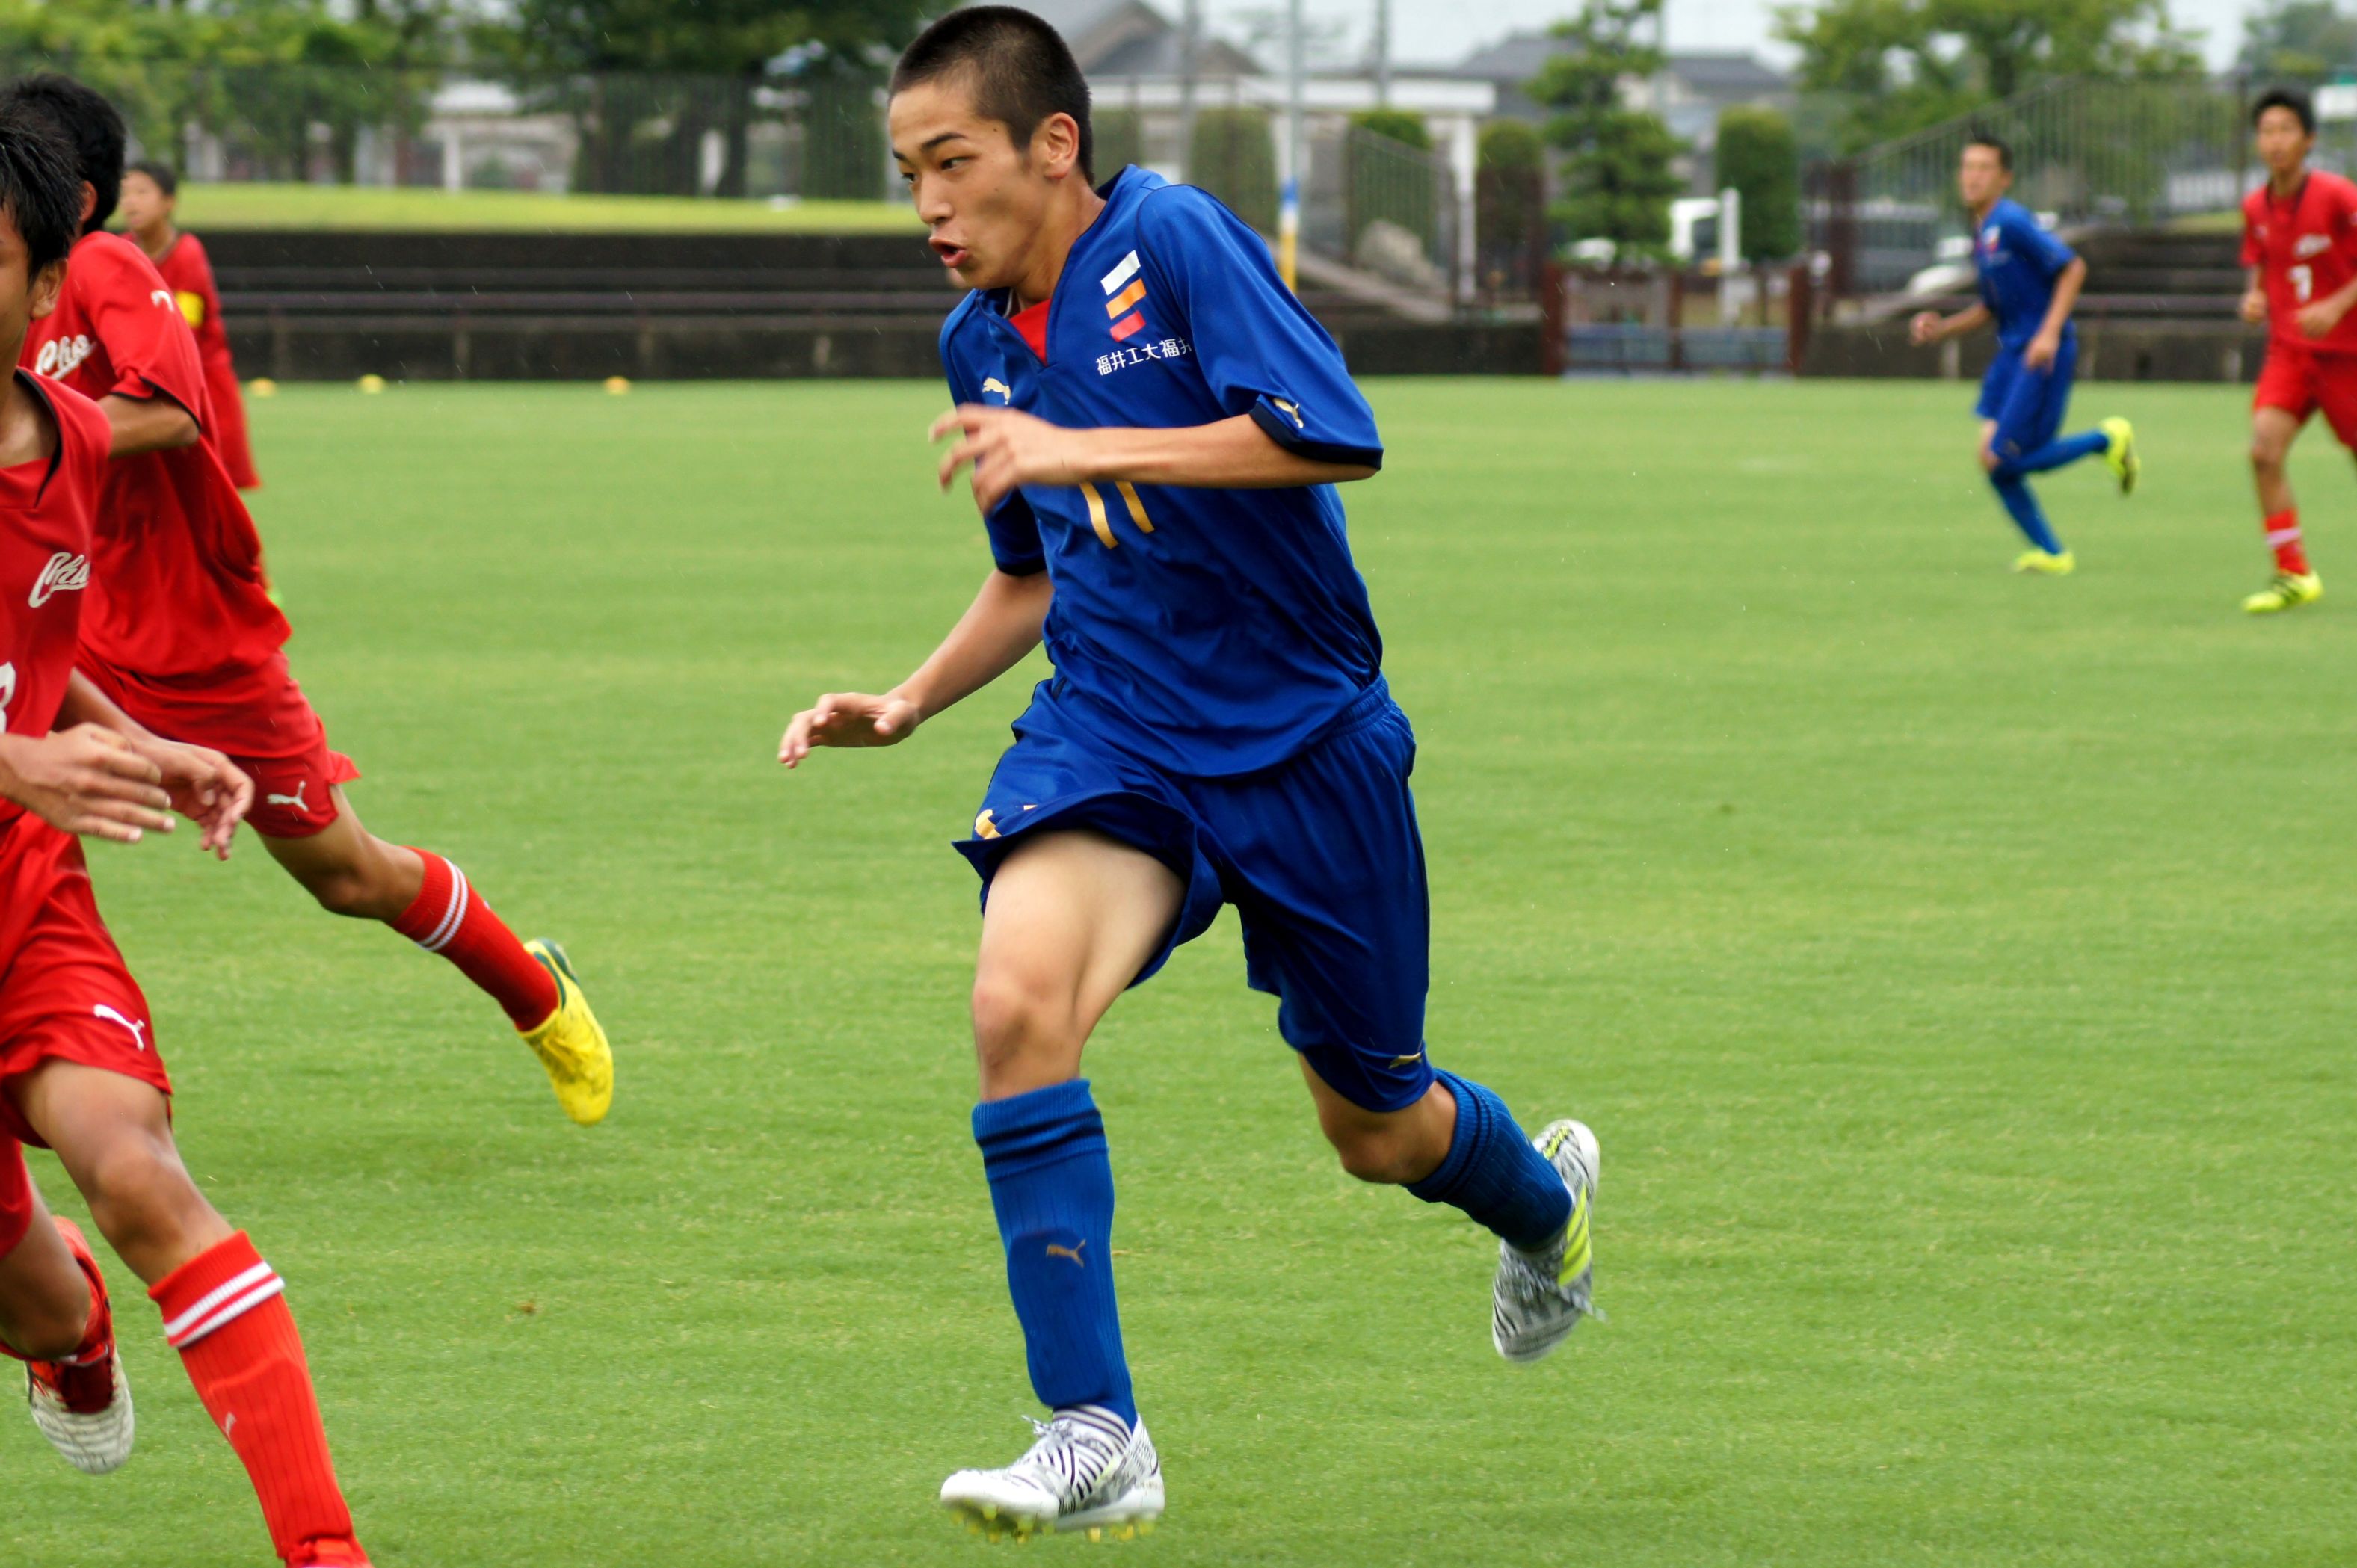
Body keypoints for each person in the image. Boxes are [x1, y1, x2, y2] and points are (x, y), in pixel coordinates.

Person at [779, 9, 1598, 1540]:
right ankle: (1094, 1428)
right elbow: (1033, 571)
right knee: (1014, 1002)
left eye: (950, 163)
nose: (929, 207)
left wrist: (1084, 449)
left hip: (1307, 740)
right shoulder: (977, 341)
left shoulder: (1172, 238)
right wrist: (910, 698)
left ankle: (1543, 1207)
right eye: (906, 177)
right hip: (1117, 731)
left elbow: (1331, 434)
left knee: (1376, 1125)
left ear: (1053, 145)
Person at [3, 74, 613, 1125]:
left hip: (192, 638)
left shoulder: (105, 266)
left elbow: (173, 410)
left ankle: (535, 990)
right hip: (72, 628)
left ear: (76, 205)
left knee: (346, 874)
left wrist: (46, 437)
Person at [0, 103, 372, 1567]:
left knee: (137, 1165)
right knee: (39, 1296)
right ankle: (72, 1332)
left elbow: (38, 644)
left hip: (27, 896)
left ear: (49, 288)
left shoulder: (74, 441)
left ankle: (325, 1549)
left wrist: (143, 740)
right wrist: (17, 756)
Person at [1911, 133, 2138, 575]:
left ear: (2005, 178)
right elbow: (1989, 308)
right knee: (1991, 458)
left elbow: (2072, 267)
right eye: (1967, 167)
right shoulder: (1983, 233)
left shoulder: (2012, 221)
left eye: (1984, 168)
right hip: (2012, 353)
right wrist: (1942, 329)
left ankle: (2106, 439)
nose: (1973, 177)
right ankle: (2052, 554)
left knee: (2006, 458)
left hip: (2041, 353)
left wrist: (2048, 334)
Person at [2237, 85, 2357, 614]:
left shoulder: (2337, 195)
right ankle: (2292, 573)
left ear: (2308, 139)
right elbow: (2262, 262)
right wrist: (2255, 297)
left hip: (2346, 354)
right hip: (2289, 353)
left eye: (2286, 129)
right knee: (2263, 452)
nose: (2275, 141)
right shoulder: (2254, 205)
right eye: (2266, 131)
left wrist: (2336, 305)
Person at [117, 158, 259, 491]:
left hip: (200, 385)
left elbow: (185, 333)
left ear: (169, 202)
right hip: (146, 384)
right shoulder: (121, 251)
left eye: (142, 192)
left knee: (212, 486)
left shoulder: (187, 254)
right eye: (125, 194)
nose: (131, 202)